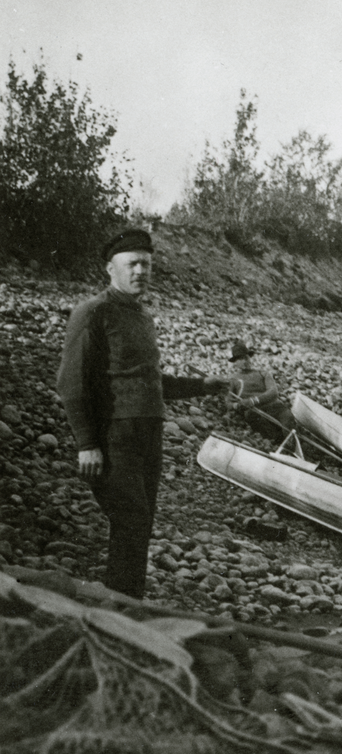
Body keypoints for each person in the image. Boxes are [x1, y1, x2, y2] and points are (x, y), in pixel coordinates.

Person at [56, 227, 228, 599]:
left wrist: (202, 386)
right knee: (131, 522)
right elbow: (71, 383)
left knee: (139, 525)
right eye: (132, 264)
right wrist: (87, 444)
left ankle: (125, 607)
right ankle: (122, 612)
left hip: (149, 436)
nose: (140, 272)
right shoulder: (92, 313)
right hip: (114, 437)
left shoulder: (141, 317)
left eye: (146, 265)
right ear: (110, 268)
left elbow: (150, 383)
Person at [227, 339, 295, 442]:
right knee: (254, 419)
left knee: (288, 418)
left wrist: (253, 400)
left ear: (250, 358)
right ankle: (276, 442)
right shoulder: (233, 379)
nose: (245, 361)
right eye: (240, 359)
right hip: (255, 411)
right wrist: (237, 405)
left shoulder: (263, 373)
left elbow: (273, 392)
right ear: (235, 362)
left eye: (246, 357)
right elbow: (228, 402)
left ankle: (292, 445)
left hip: (274, 406)